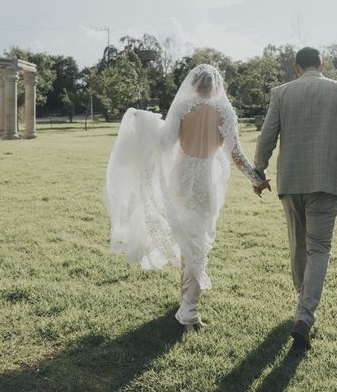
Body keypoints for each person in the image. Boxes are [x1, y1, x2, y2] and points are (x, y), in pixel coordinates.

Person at [105, 64, 266, 332]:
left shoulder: (182, 109)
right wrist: (256, 179)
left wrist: (145, 127)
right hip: (204, 180)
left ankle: (185, 299)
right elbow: (235, 153)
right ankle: (189, 312)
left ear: (193, 85)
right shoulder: (224, 111)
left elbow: (164, 144)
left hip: (180, 177)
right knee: (197, 242)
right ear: (216, 86)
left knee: (188, 238)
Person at [253, 47, 337, 350]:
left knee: (297, 245)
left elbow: (266, 137)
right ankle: (304, 315)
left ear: (297, 68)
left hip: (290, 181)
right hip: (326, 181)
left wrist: (258, 171)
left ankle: (303, 303)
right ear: (322, 66)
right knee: (319, 249)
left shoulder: (281, 93)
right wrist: (332, 154)